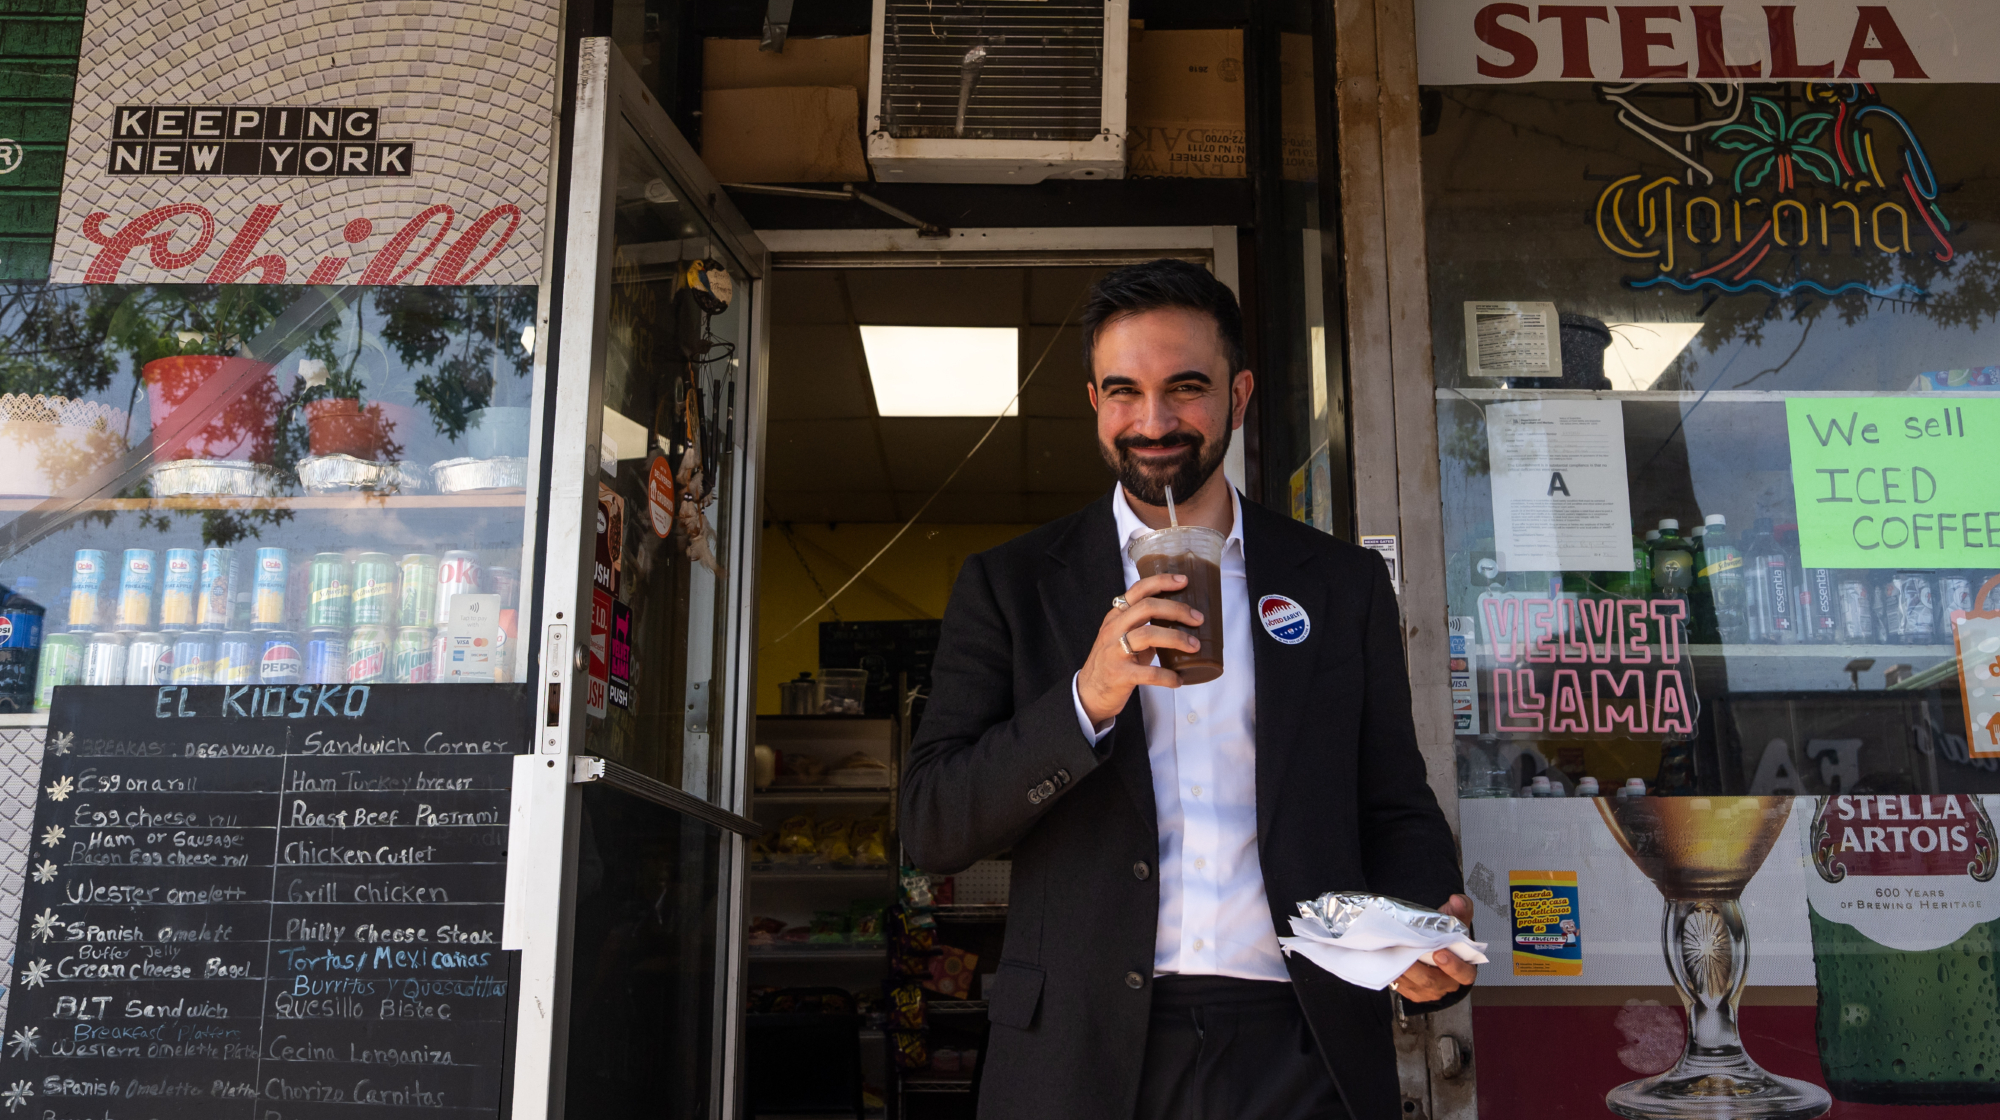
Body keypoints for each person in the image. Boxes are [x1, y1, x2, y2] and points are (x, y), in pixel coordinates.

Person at [901, 259, 1474, 1120]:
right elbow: (933, 823)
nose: (1155, 420)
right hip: (1079, 1051)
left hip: (1302, 1039)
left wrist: (1423, 925)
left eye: (1188, 387)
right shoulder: (1011, 586)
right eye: (1124, 390)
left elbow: (1392, 801)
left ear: (1239, 397)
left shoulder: (1339, 583)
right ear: (1094, 402)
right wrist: (1085, 699)